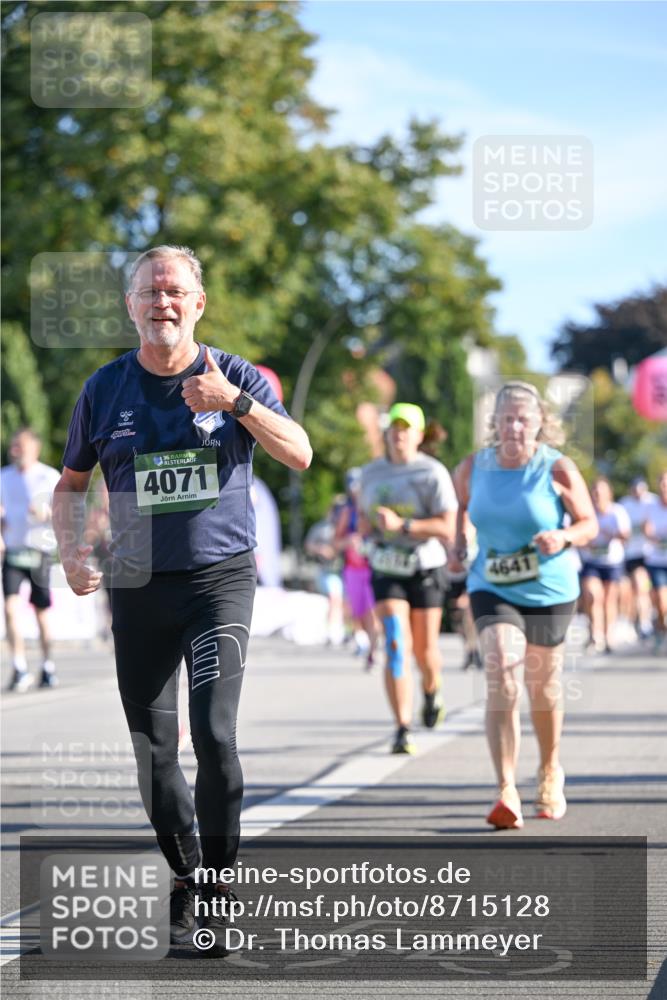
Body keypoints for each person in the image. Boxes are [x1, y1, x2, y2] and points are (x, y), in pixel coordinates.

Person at [52, 245, 312, 954]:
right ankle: (184, 873)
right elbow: (70, 485)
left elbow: (299, 453)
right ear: (130, 305)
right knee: (154, 748)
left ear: (197, 303)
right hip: (136, 587)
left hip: (217, 581)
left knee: (217, 733)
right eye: (148, 291)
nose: (162, 302)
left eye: (175, 291)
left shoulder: (234, 375)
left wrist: (238, 403)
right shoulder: (104, 389)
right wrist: (73, 549)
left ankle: (220, 889)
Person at [452, 381, 597, 829]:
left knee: (543, 687)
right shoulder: (474, 466)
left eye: (523, 418)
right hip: (492, 583)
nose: (514, 426)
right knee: (500, 669)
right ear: (494, 423)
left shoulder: (557, 469)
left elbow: (590, 523)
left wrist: (564, 537)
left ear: (539, 424)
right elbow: (461, 507)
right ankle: (505, 788)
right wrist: (460, 539)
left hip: (549, 589)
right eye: (506, 418)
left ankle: (550, 769)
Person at [359, 403, 457, 754]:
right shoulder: (370, 474)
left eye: (406, 428)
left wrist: (404, 526)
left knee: (425, 651)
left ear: (419, 435)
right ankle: (402, 727)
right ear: (386, 434)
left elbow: (448, 526)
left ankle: (432, 691)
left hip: (425, 566)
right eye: (394, 428)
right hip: (387, 566)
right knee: (396, 643)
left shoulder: (432, 473)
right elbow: (363, 519)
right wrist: (367, 530)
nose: (399, 434)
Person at [1, 427, 60, 691]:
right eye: (13, 446)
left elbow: (67, 513)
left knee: (41, 613)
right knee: (10, 609)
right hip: (13, 552)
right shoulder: (3, 477)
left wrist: (46, 513)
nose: (14, 451)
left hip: (39, 552)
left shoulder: (49, 476)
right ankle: (19, 666)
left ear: (34, 449)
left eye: (19, 446)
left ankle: (47, 666)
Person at [578, 476, 631, 654]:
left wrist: (612, 534)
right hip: (591, 561)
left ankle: (608, 636)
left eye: (600, 492)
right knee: (593, 596)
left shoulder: (617, 511)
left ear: (609, 493)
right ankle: (594, 633)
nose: (597, 495)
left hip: (612, 562)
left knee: (608, 600)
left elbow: (625, 535)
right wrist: (586, 541)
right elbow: (577, 534)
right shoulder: (587, 512)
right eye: (594, 492)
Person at [334, 468, 378, 669]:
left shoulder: (374, 510)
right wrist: (348, 542)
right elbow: (336, 542)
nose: (357, 492)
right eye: (354, 488)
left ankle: (374, 651)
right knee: (356, 611)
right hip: (353, 569)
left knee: (372, 611)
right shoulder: (347, 512)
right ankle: (363, 642)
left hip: (373, 568)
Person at [620, 476, 657, 641]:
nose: (638, 493)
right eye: (635, 490)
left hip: (652, 554)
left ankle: (649, 618)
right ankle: (643, 621)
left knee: (650, 590)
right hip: (632, 554)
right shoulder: (624, 504)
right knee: (638, 587)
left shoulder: (653, 502)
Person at [643, 470, 667, 652]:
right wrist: (651, 534)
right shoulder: (651, 506)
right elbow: (647, 527)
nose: (664, 487)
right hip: (656, 561)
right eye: (662, 483)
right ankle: (660, 630)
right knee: (660, 600)